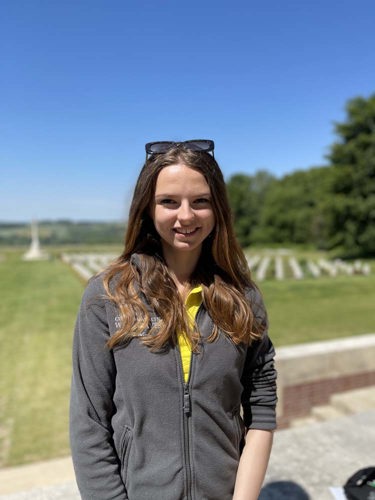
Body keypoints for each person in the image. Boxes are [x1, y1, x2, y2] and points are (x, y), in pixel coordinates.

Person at [70, 139, 277, 500]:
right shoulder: (107, 297)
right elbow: (89, 423)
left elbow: (261, 408)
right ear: (147, 209)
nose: (186, 216)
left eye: (200, 201)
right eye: (169, 201)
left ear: (218, 210)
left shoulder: (244, 298)